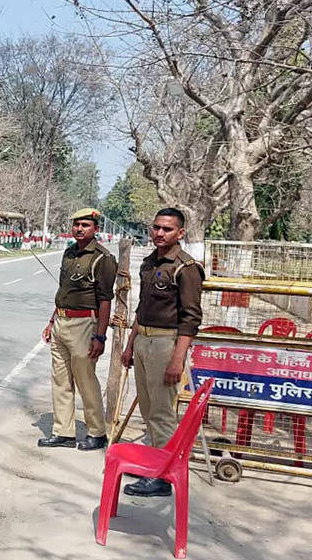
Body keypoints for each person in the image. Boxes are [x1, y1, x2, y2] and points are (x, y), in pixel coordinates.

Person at [119, 207, 204, 496]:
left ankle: (163, 476)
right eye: (156, 227)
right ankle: (154, 463)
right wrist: (131, 345)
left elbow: (191, 318)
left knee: (162, 412)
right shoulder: (149, 263)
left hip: (167, 344)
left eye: (167, 229)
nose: (159, 233)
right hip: (144, 340)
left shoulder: (186, 268)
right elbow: (142, 309)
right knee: (147, 407)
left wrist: (177, 359)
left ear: (180, 233)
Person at [38, 207, 118, 451]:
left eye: (85, 225)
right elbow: (64, 291)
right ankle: (63, 431)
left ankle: (96, 432)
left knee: (85, 380)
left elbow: (105, 300)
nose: (80, 229)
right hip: (62, 321)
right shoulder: (69, 254)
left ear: (96, 229)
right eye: (76, 225)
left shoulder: (103, 259)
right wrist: (52, 322)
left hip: (85, 324)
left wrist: (100, 336)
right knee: (60, 380)